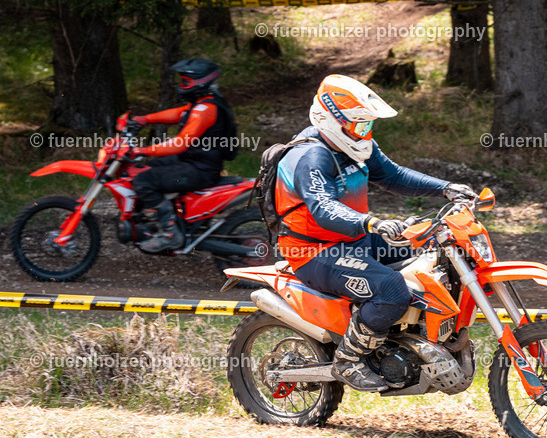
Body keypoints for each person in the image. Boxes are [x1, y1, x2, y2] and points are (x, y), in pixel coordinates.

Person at [275, 74, 476, 392]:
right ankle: (348, 359)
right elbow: (323, 208)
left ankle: (416, 338)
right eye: (359, 125)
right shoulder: (311, 156)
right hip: (315, 251)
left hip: (354, 239)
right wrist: (371, 222)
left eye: (368, 125)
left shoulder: (355, 145)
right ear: (331, 120)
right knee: (392, 289)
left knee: (432, 248)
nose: (365, 132)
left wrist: (446, 188)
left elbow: (393, 175)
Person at [125, 58, 238, 253]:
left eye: (185, 82)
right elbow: (179, 113)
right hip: (192, 161)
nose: (181, 86)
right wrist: (145, 119)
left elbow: (180, 143)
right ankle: (155, 219)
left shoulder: (206, 109)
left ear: (200, 83)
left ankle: (171, 234)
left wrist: (141, 150)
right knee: (146, 168)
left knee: (144, 180)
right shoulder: (203, 103)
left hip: (200, 169)